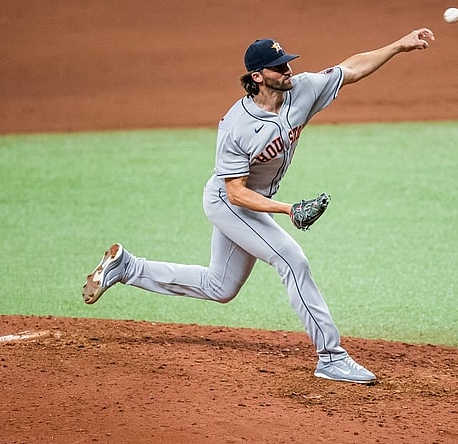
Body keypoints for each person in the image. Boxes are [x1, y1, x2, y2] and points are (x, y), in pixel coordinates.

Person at [82, 28, 435, 384]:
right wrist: (287, 210)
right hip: (229, 202)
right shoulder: (236, 126)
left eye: (287, 64)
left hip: (252, 200)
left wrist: (398, 46)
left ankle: (127, 267)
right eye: (278, 67)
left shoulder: (303, 90)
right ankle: (331, 356)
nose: (288, 71)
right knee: (292, 260)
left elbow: (351, 69)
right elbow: (235, 192)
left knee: (220, 286)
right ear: (257, 76)